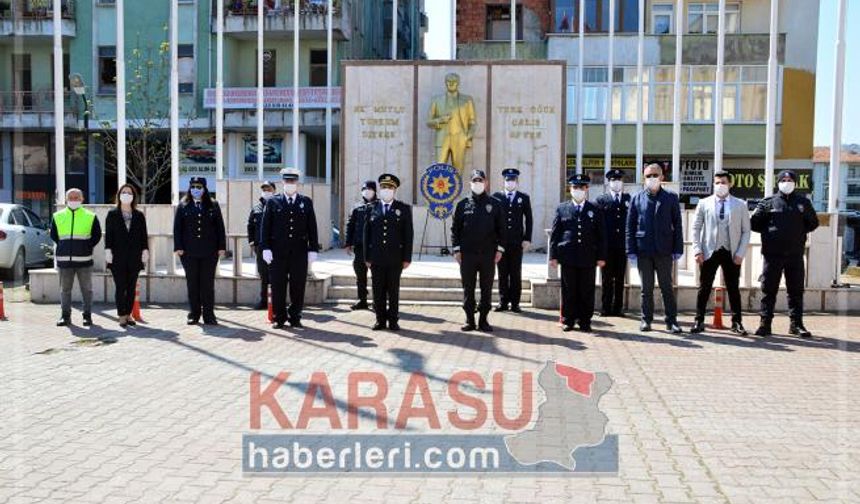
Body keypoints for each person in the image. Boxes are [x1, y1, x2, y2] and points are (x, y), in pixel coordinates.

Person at [750, 170, 820, 338]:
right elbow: (755, 224)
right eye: (783, 179)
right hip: (772, 255)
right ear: (778, 182)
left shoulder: (803, 202)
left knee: (796, 291)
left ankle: (796, 325)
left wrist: (796, 233)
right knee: (768, 290)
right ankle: (765, 324)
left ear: (795, 183)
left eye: (790, 179)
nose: (787, 182)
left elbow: (813, 223)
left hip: (795, 255)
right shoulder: (767, 202)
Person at [690, 171, 751, 335]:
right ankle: (699, 320)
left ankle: (737, 322)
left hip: (731, 251)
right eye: (717, 182)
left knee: (733, 288)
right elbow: (695, 228)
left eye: (723, 182)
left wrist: (740, 252)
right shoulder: (704, 203)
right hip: (710, 250)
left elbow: (746, 231)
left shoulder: (740, 205)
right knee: (704, 287)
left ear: (730, 184)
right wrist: (697, 249)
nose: (720, 185)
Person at [626, 163, 684, 334]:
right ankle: (646, 320)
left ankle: (671, 321)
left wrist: (677, 248)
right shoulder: (636, 198)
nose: (652, 178)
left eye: (655, 175)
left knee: (667, 287)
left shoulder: (671, 197)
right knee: (646, 289)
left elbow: (678, 225)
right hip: (643, 250)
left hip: (664, 250)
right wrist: (630, 250)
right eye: (648, 176)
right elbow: (630, 226)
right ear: (644, 178)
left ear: (662, 177)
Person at [260, 167, 320, 329]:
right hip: (277, 252)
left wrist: (313, 249)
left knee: (297, 286)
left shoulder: (305, 202)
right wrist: (265, 247)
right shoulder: (273, 201)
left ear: (297, 183)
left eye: (293, 181)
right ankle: (279, 317)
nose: (290, 183)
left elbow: (312, 227)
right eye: (287, 181)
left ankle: (295, 317)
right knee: (278, 285)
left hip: (299, 253)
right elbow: (265, 227)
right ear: (282, 182)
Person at [549, 174, 606, 332]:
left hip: (588, 256)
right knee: (569, 289)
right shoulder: (562, 208)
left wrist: (601, 256)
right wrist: (553, 256)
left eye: (581, 187)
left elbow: (601, 235)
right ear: (570, 189)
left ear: (587, 189)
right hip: (568, 256)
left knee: (586, 290)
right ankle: (568, 319)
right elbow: (555, 234)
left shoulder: (595, 209)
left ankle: (585, 320)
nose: (578, 190)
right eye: (575, 187)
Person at [452, 169, 506, 332]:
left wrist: (500, 250)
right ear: (470, 183)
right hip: (467, 255)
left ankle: (483, 320)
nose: (478, 184)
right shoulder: (462, 205)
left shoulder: (495, 204)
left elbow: (502, 230)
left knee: (486, 288)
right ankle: (469, 320)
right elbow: (455, 229)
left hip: (488, 255)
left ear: (486, 183)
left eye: (480, 180)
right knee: (468, 288)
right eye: (475, 181)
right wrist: (456, 250)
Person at [363, 174, 413, 331]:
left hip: (395, 259)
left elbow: (408, 235)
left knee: (393, 290)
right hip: (376, 258)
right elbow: (366, 235)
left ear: (395, 190)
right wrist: (366, 257)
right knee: (378, 291)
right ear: (380, 189)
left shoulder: (403, 209)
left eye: (390, 188)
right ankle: (380, 320)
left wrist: (407, 258)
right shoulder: (371, 208)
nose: (386, 190)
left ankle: (393, 320)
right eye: (384, 187)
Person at [173, 177, 226, 325]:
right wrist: (178, 247)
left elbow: (220, 227)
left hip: (209, 252)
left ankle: (209, 314)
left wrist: (221, 246)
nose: (196, 189)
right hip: (189, 253)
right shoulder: (183, 205)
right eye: (193, 186)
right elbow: (177, 228)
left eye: (199, 186)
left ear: (204, 188)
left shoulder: (213, 205)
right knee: (193, 284)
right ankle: (194, 314)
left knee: (207, 284)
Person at [50, 188, 102, 327]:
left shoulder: (90, 216)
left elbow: (97, 235)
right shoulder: (57, 216)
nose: (73, 200)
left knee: (87, 290)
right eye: (71, 197)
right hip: (64, 260)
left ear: (82, 199)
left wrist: (85, 246)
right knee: (65, 290)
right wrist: (64, 246)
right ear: (66, 200)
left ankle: (87, 316)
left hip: (84, 260)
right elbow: (54, 235)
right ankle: (65, 316)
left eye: (76, 197)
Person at [104, 184, 150, 328]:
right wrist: (108, 251)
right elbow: (109, 236)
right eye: (123, 192)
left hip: (134, 257)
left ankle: (129, 313)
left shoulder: (139, 215)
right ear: (119, 195)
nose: (126, 195)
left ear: (133, 196)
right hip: (117, 257)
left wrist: (145, 250)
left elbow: (144, 235)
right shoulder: (112, 214)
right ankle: (121, 315)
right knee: (120, 287)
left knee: (131, 288)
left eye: (129, 193)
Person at [492, 168, 532, 313]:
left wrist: (527, 238)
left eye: (513, 180)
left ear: (517, 181)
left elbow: (529, 219)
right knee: (502, 273)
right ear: (504, 181)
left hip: (517, 242)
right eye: (508, 180)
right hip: (501, 243)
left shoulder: (523, 197)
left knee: (515, 273)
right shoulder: (496, 197)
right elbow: (493, 220)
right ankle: (503, 302)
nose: (510, 182)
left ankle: (515, 303)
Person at [595, 169, 631, 317]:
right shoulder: (601, 200)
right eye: (613, 180)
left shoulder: (629, 199)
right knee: (607, 278)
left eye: (619, 179)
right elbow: (597, 225)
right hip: (607, 246)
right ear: (608, 182)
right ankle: (605, 307)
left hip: (622, 246)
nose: (616, 182)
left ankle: (618, 308)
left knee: (620, 278)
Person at [345, 180, 377, 311]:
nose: (367, 191)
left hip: (375, 248)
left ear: (375, 191)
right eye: (365, 189)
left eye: (370, 188)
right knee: (360, 275)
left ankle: (377, 302)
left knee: (377, 276)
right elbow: (350, 226)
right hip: (360, 247)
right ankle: (362, 299)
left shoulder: (380, 206)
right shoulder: (357, 208)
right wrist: (348, 243)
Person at [247, 181, 276, 310]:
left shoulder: (279, 205)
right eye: (264, 189)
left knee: (276, 274)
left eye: (268, 189)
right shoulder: (257, 208)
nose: (266, 191)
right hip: (261, 247)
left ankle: (276, 301)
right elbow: (250, 226)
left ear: (274, 190)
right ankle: (264, 300)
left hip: (276, 246)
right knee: (263, 275)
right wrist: (252, 241)